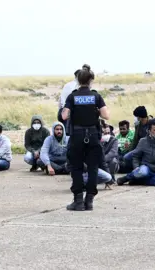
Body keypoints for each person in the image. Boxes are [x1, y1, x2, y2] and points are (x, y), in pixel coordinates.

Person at [61, 66, 110, 211]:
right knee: (93, 168)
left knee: (76, 168)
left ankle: (78, 201)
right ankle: (89, 201)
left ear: (78, 80)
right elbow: (106, 115)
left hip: (77, 136)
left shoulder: (72, 96)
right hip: (93, 135)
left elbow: (64, 116)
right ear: (91, 81)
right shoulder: (96, 96)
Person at [116, 119, 155, 186]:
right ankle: (126, 178)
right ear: (149, 131)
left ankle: (140, 181)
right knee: (141, 172)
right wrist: (136, 167)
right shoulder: (143, 141)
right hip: (146, 168)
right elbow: (136, 156)